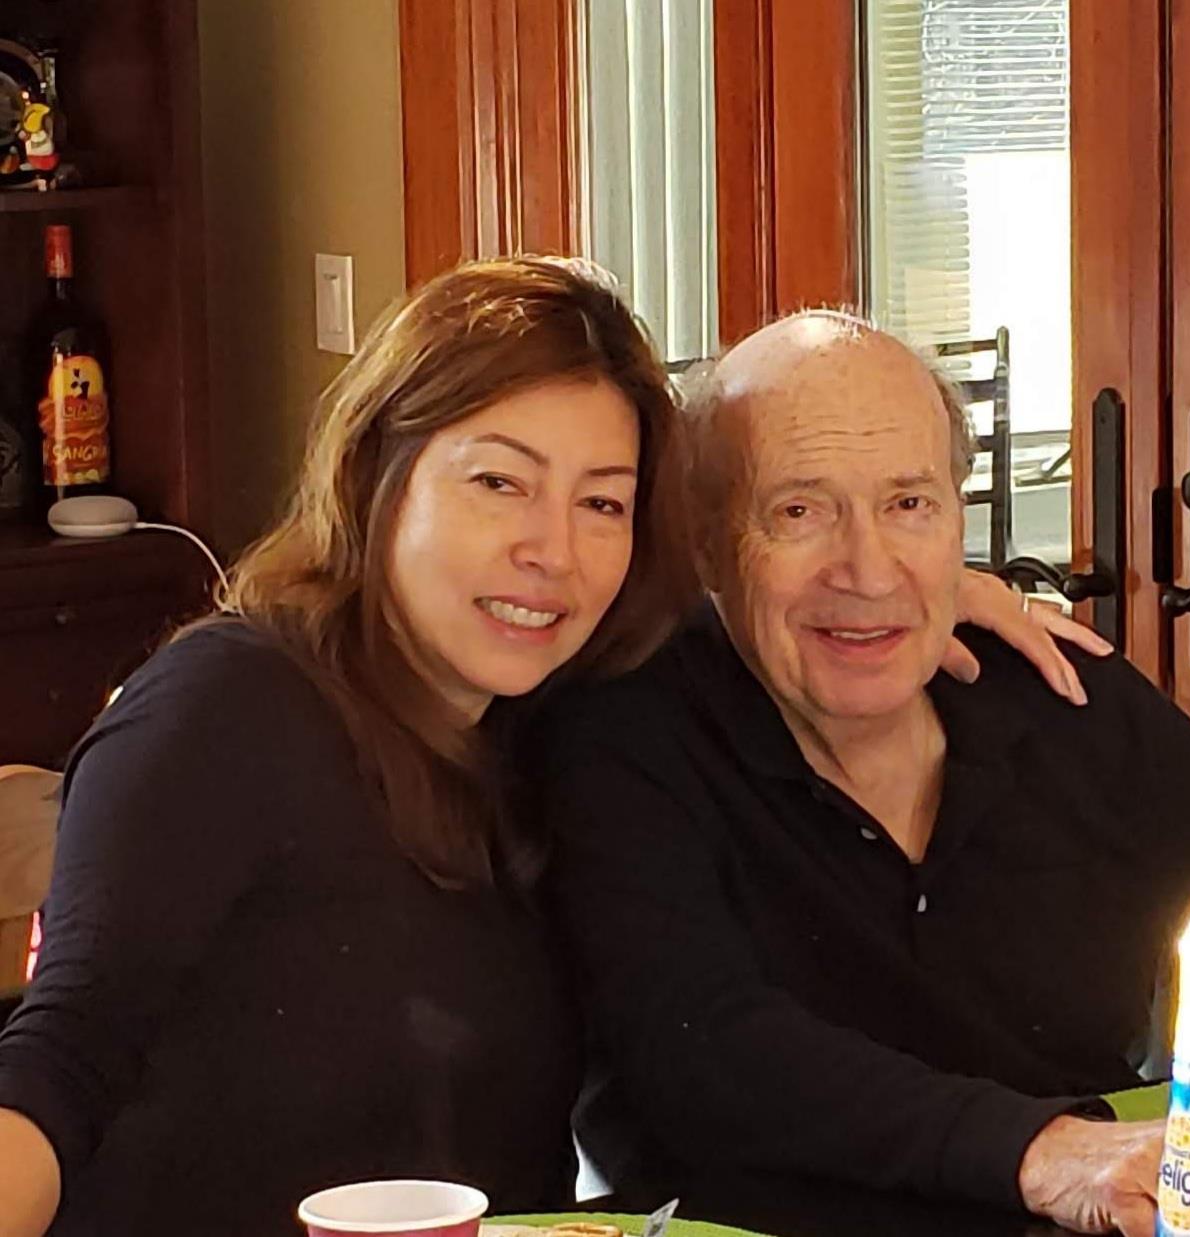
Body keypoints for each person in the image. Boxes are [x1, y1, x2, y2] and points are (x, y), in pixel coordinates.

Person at [0, 265, 1095, 1237]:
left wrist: (913, 589)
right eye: (498, 482)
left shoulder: (561, 721)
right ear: (378, 470)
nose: (552, 550)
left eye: (602, 502)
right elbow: (60, 1061)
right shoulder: (226, 705)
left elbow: (748, 614)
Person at [537, 311, 1190, 1237]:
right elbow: (700, 1051)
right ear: (705, 544)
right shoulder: (623, 726)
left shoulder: (1056, 689)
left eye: (909, 505)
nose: (867, 570)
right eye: (798, 511)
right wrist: (1040, 1151)